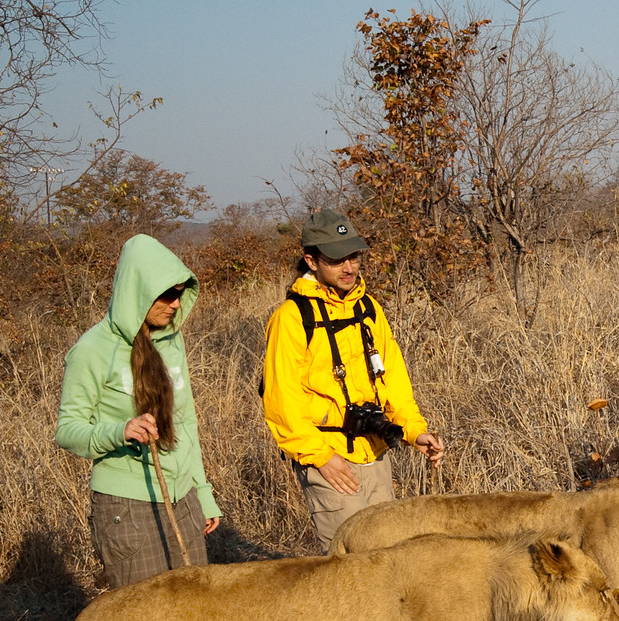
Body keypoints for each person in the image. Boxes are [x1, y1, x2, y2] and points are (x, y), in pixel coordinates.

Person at [262, 208, 443, 551]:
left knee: (390, 561)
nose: (349, 268)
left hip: (376, 454)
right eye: (337, 259)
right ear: (311, 261)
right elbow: (282, 401)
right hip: (329, 460)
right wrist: (320, 457)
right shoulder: (291, 318)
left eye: (354, 257)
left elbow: (395, 383)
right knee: (349, 572)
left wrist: (414, 431)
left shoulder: (369, 309)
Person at [56, 233, 221, 589]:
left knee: (194, 613)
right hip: (127, 507)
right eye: (166, 294)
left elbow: (185, 422)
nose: (176, 304)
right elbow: (67, 430)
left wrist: (202, 493)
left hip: (184, 498)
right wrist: (120, 431)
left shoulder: (171, 341)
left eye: (180, 293)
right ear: (138, 291)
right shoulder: (92, 349)